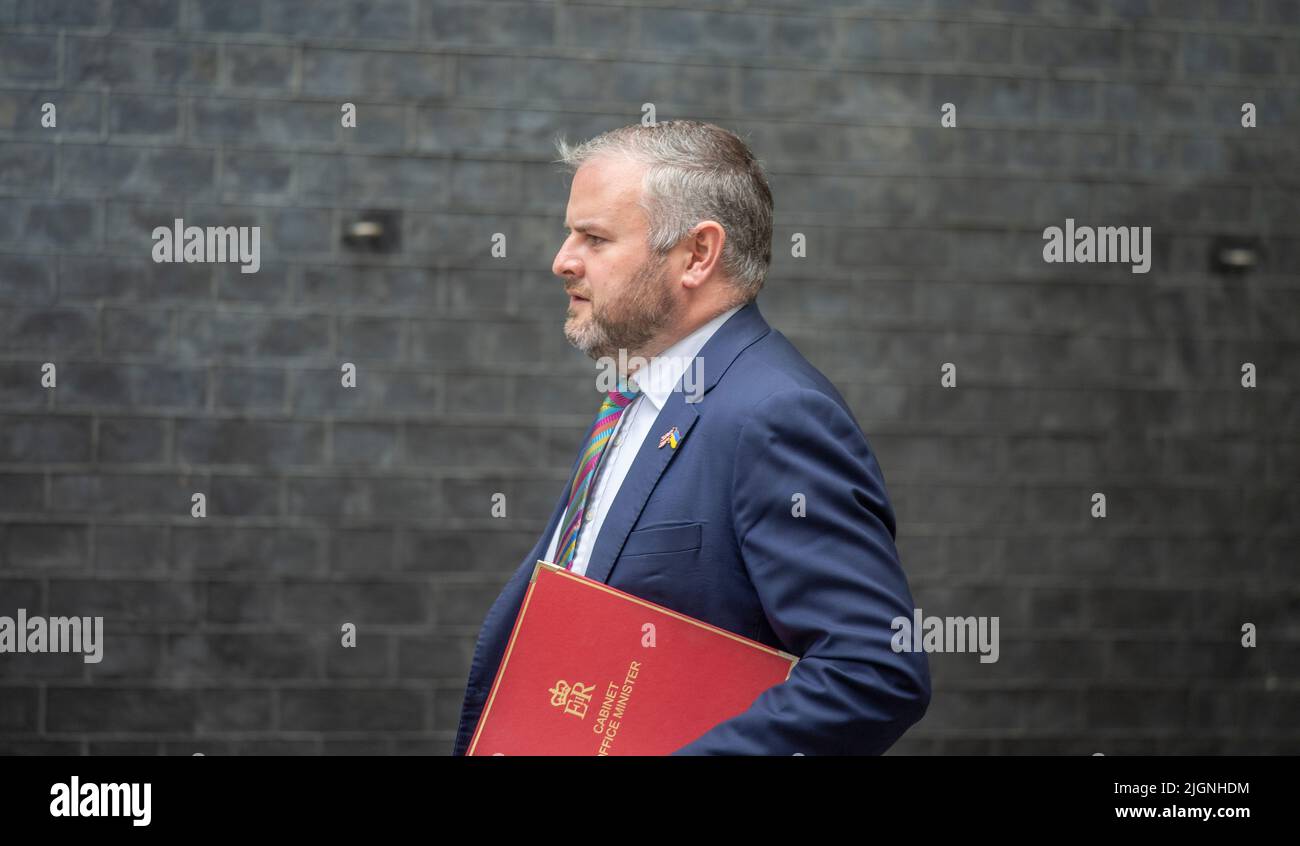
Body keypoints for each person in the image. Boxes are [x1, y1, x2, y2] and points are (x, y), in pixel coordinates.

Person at [452, 120, 930, 755]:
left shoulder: (775, 414)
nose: (562, 259)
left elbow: (874, 671)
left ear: (698, 255)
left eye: (594, 237)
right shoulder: (636, 396)